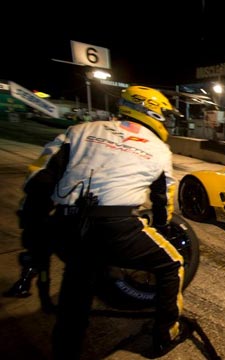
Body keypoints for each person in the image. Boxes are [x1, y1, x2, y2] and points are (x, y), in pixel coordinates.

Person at [13, 85, 190, 359]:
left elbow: (39, 180)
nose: (165, 121)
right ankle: (166, 334)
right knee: (173, 264)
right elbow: (163, 201)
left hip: (67, 225)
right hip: (115, 227)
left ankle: (66, 350)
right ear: (151, 111)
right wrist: (161, 227)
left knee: (76, 288)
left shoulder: (80, 131)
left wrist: (34, 229)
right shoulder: (159, 149)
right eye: (164, 115)